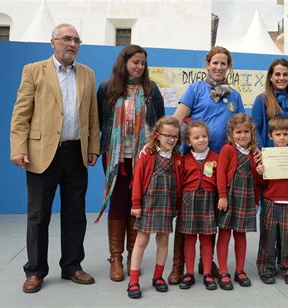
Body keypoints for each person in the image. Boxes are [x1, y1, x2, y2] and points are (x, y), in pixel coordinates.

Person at [10, 23, 100, 293]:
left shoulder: (88, 74)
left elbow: (93, 114)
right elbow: (21, 113)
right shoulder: (34, 71)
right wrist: (18, 147)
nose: (72, 44)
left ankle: (72, 266)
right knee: (38, 215)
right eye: (66, 39)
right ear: (53, 42)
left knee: (75, 215)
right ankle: (35, 271)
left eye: (76, 40)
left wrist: (93, 146)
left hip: (76, 153)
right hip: (41, 153)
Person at [168, 46, 245, 284]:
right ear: (207, 65)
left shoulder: (234, 95)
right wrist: (158, 140)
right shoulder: (195, 89)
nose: (219, 67)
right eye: (215, 63)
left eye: (223, 63)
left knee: (212, 215)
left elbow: (242, 125)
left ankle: (206, 261)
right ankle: (179, 264)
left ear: (228, 66)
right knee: (188, 216)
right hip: (195, 161)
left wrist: (255, 151)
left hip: (222, 163)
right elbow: (176, 118)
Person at [96, 44, 165, 282]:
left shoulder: (151, 89)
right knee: (118, 204)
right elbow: (100, 121)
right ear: (124, 62)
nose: (139, 67)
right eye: (135, 62)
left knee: (138, 205)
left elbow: (160, 123)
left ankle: (132, 255)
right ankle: (115, 257)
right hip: (115, 157)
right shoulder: (107, 88)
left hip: (144, 158)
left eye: (143, 63)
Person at [127, 116, 183, 299]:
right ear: (157, 135)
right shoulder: (147, 155)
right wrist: (136, 204)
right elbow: (137, 181)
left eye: (174, 136)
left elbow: (180, 183)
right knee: (141, 241)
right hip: (149, 203)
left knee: (164, 241)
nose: (171, 139)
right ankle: (133, 279)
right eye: (167, 135)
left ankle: (158, 277)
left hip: (167, 204)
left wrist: (178, 205)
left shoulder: (177, 158)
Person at [216, 113, 260, 290]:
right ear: (231, 134)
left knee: (241, 235)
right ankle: (224, 271)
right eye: (238, 132)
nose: (242, 135)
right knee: (225, 234)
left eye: (246, 132)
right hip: (230, 196)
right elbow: (220, 173)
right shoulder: (228, 150)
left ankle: (240, 270)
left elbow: (257, 181)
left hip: (247, 198)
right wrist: (222, 196)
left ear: (252, 133)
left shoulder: (255, 153)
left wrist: (256, 201)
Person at [256, 117, 288, 285]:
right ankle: (266, 269)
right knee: (268, 237)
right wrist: (260, 173)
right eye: (278, 134)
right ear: (270, 135)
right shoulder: (265, 155)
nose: (282, 137)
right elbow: (261, 185)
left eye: (285, 134)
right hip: (270, 202)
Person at [177, 121, 219, 291]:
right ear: (189, 142)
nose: (201, 140)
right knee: (189, 238)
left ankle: (207, 272)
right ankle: (189, 273)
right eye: (196, 137)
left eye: (204, 136)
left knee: (206, 238)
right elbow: (179, 183)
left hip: (209, 201)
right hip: (189, 201)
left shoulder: (216, 158)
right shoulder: (183, 160)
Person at [251, 58, 288, 149]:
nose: (281, 78)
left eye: (285, 74)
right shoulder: (261, 100)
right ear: (270, 77)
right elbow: (255, 130)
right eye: (277, 74)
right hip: (269, 156)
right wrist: (261, 151)